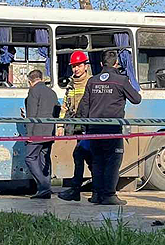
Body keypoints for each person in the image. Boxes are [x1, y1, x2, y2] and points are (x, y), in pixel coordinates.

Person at [78, 51, 141, 205]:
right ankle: (109, 195)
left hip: (94, 128)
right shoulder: (121, 80)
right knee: (113, 160)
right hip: (112, 128)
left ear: (101, 64)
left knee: (97, 161)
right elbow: (136, 99)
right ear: (116, 64)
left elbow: (84, 106)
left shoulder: (92, 81)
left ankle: (97, 195)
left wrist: (87, 127)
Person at [56, 51, 94, 202]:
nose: (76, 69)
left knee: (82, 156)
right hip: (78, 128)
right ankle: (96, 189)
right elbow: (65, 107)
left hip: (89, 127)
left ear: (85, 66)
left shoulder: (91, 82)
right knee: (85, 157)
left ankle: (79, 190)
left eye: (78, 65)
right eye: (73, 66)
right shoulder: (71, 84)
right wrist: (59, 125)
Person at [23, 70, 60, 199]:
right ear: (41, 78)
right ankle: (45, 190)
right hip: (50, 131)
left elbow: (32, 114)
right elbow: (57, 111)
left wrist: (29, 134)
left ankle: (44, 186)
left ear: (30, 81)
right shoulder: (52, 92)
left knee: (30, 157)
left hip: (37, 132)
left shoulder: (33, 91)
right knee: (45, 159)